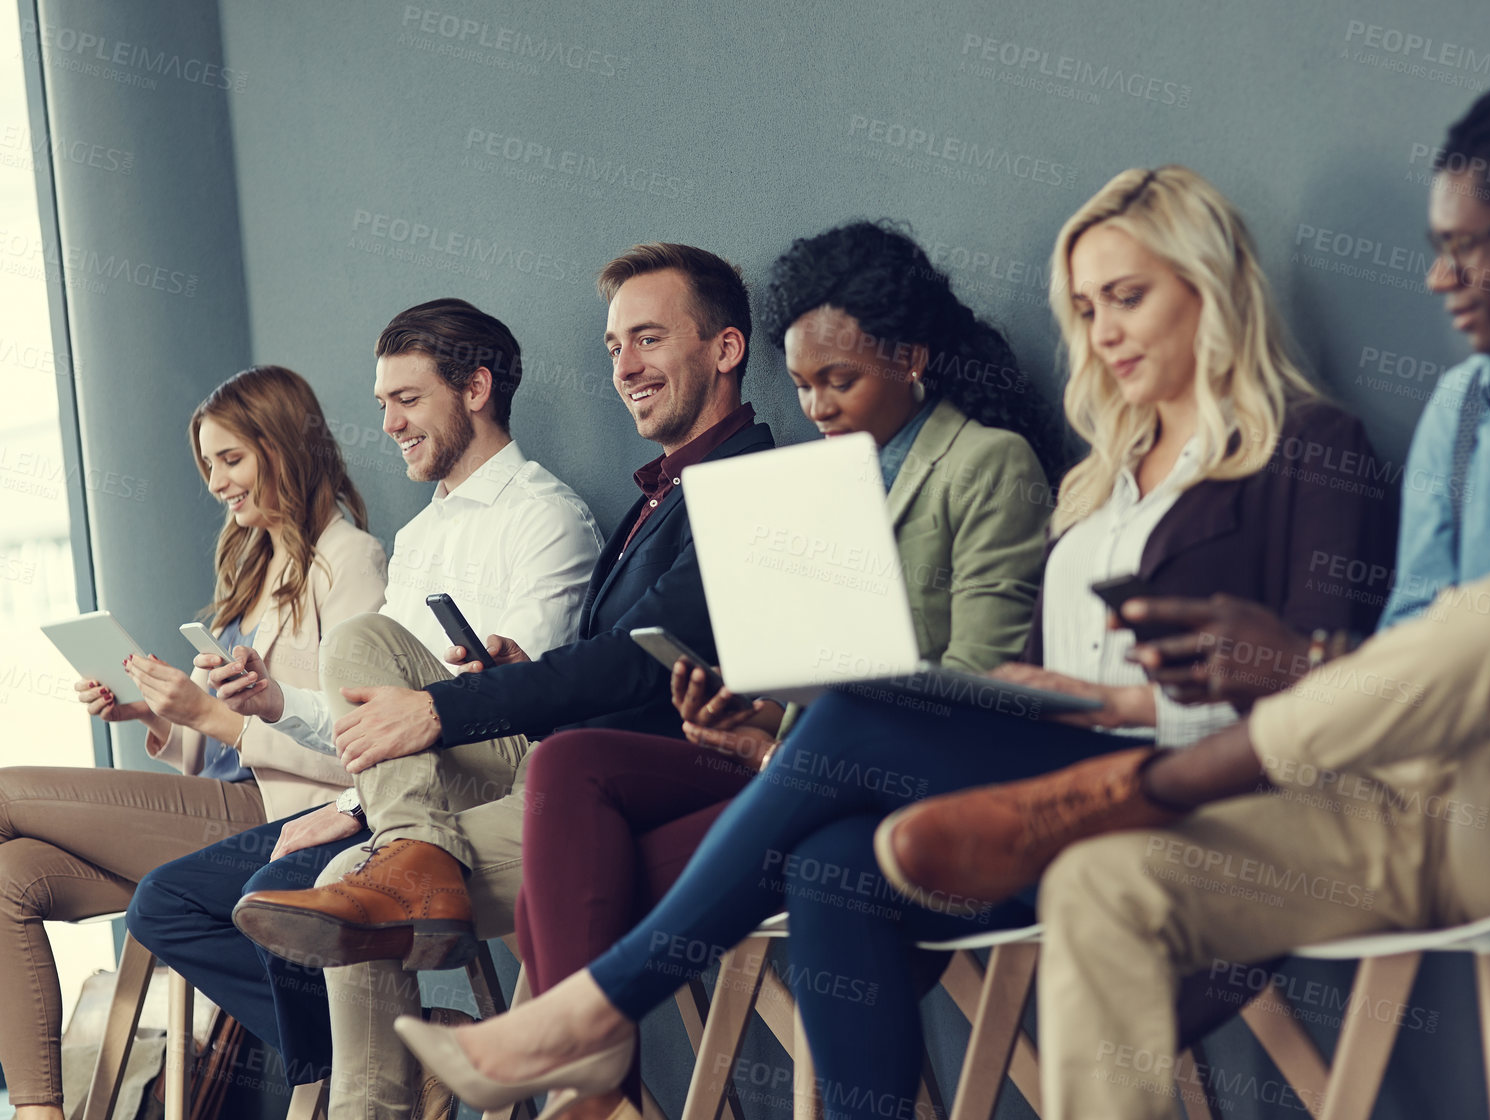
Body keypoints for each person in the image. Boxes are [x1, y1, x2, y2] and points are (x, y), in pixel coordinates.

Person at [388, 166, 1399, 1120]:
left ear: (1210, 286)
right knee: (829, 860)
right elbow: (1039, 672)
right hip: (1053, 795)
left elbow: (1330, 694)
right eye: (1085, 310)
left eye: (1126, 297)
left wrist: (1129, 704)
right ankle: (597, 1010)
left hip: (1204, 792)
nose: (1103, 332)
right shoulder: (1098, 483)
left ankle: (590, 1008)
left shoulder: (1308, 449)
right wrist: (1036, 689)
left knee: (860, 709)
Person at [871, 80, 1490, 1119]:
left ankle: (1139, 786)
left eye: (1464, 244)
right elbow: (1406, 656)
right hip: (1404, 805)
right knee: (1099, 886)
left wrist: (1298, 669)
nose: (1436, 275)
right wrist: (1301, 670)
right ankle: (1121, 817)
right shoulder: (1460, 409)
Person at [512, 220, 1062, 1118]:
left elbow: (979, 682)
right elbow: (828, 676)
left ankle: (581, 1053)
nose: (814, 406)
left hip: (932, 774)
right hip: (823, 769)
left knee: (585, 881)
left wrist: (806, 726)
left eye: (836, 380)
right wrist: (763, 725)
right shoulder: (834, 484)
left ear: (912, 357)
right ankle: (589, 1079)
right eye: (803, 384)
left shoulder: (985, 463)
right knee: (568, 773)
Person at [228, 244, 777, 1120]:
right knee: (366, 670)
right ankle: (412, 858)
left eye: (646, 340)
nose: (625, 367)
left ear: (725, 349)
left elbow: (643, 655)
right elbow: (610, 661)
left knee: (359, 886)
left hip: (637, 781)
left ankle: (414, 874)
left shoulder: (750, 482)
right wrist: (506, 678)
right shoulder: (654, 501)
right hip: (555, 769)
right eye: (611, 348)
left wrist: (447, 707)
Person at [127, 299, 600, 1089]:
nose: (388, 424)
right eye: (383, 404)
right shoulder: (419, 540)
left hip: (491, 775)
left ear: (476, 389)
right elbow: (366, 712)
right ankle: (399, 1052)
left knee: (311, 865)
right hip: (396, 788)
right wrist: (276, 704)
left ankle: (395, 875)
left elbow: (523, 700)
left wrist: (350, 810)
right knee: (168, 901)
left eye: (407, 401)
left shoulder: (545, 518)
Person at [0, 365, 386, 1120]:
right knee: (10, 875)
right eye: (209, 464)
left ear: (284, 447)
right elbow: (218, 743)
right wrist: (154, 715)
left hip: (284, 816)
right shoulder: (256, 562)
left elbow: (354, 754)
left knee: (6, 791)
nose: (216, 482)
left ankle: (362, 1043)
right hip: (219, 803)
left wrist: (207, 717)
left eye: (231, 459)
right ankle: (40, 1111)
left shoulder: (353, 564)